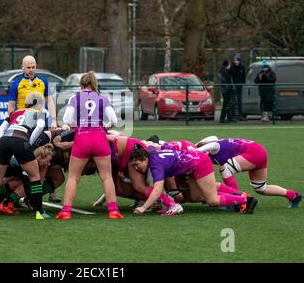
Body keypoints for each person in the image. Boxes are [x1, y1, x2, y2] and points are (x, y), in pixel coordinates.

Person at [56, 71, 123, 219]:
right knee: (106, 177)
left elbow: (66, 119)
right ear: (94, 84)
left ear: (81, 84)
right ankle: (113, 211)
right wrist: (104, 126)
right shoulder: (102, 98)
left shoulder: (75, 98)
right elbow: (113, 120)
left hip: (82, 137)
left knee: (73, 177)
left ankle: (66, 211)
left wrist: (76, 125)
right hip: (99, 137)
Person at [129, 147, 259, 215]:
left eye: (137, 164)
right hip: (195, 162)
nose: (136, 168)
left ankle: (246, 199)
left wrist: (143, 208)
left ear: (145, 159)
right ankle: (239, 196)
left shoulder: (155, 165)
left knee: (212, 200)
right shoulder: (154, 156)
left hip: (199, 164)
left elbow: (157, 190)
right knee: (198, 196)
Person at [0, 92, 50, 220]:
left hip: (5, 140)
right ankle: (39, 212)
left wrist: (2, 142)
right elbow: (40, 127)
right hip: (21, 140)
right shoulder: (39, 113)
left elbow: (0, 129)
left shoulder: (15, 112)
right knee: (35, 177)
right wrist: (28, 143)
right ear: (39, 104)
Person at [196, 136, 302, 208]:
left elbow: (212, 143)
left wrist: (194, 150)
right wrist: (196, 146)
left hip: (254, 153)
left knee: (225, 169)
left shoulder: (215, 147)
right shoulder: (212, 148)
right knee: (261, 188)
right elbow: (211, 139)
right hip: (259, 152)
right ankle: (293, 196)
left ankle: (235, 200)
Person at [7, 55, 57, 128]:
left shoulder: (43, 81)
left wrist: (54, 120)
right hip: (23, 121)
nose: (31, 70)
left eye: (33, 67)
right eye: (28, 67)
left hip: (40, 120)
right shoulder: (16, 83)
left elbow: (49, 101)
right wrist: (12, 122)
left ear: (36, 67)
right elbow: (11, 106)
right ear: (23, 67)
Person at [230, 54, 246, 120]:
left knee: (240, 101)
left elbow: (244, 76)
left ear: (239, 61)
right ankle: (233, 115)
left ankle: (240, 115)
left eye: (237, 60)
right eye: (235, 60)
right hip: (234, 87)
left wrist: (242, 83)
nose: (236, 61)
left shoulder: (242, 67)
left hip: (240, 86)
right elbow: (230, 77)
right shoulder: (232, 68)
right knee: (234, 101)